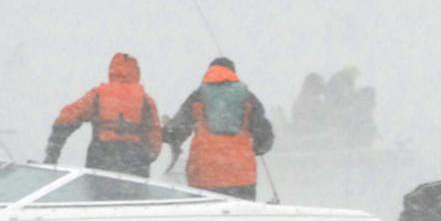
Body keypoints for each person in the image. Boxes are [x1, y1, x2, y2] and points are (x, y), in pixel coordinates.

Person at [162, 57, 275, 198]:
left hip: (204, 175)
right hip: (241, 176)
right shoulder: (247, 97)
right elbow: (264, 138)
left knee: (208, 218)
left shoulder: (198, 96)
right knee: (240, 218)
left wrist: (164, 130)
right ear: (233, 72)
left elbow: (176, 131)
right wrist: (254, 149)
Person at [44, 52, 163, 175]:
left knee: (97, 192)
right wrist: (148, 156)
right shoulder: (146, 100)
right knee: (133, 193)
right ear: (136, 73)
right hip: (134, 161)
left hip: (101, 157)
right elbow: (155, 135)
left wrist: (53, 151)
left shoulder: (98, 95)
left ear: (111, 71)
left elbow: (68, 117)